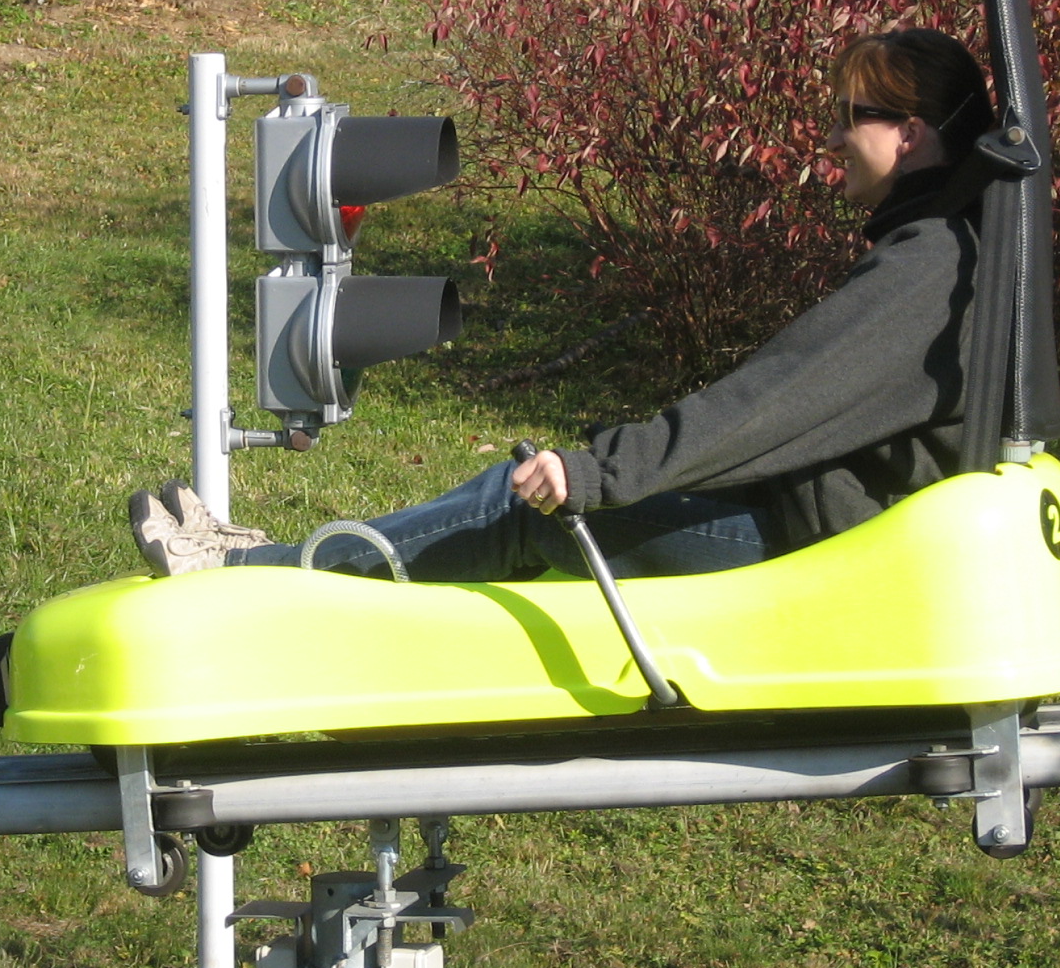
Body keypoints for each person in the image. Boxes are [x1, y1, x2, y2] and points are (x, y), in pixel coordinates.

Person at [129, 28, 993, 582]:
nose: (832, 138)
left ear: (910, 133)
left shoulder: (930, 270)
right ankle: (277, 562)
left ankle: (254, 581)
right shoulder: (946, 254)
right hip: (834, 537)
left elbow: (772, 403)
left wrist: (599, 474)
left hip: (828, 558)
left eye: (849, 117)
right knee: (510, 491)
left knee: (532, 509)